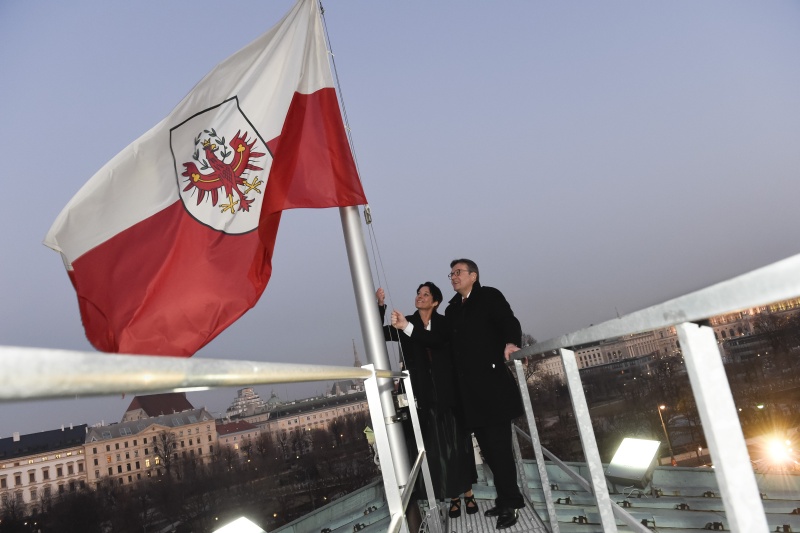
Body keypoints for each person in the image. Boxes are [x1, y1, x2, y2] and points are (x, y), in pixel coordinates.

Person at [377, 284, 478, 519]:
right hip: (421, 396)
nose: (419, 297)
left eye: (425, 295)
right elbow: (379, 333)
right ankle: (453, 496)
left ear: (435, 302)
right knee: (436, 448)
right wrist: (379, 306)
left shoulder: (443, 323)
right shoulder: (406, 322)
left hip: (447, 394)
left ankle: (468, 491)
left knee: (456, 444)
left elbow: (436, 341)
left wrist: (408, 327)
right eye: (418, 293)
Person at [437, 258, 525, 529]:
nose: (453, 276)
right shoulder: (452, 310)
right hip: (470, 396)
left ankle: (511, 504)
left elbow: (508, 320)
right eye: (451, 273)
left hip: (492, 389)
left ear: (473, 276)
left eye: (458, 272)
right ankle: (504, 498)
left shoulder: (489, 296)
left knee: (500, 450)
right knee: (489, 451)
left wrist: (511, 343)